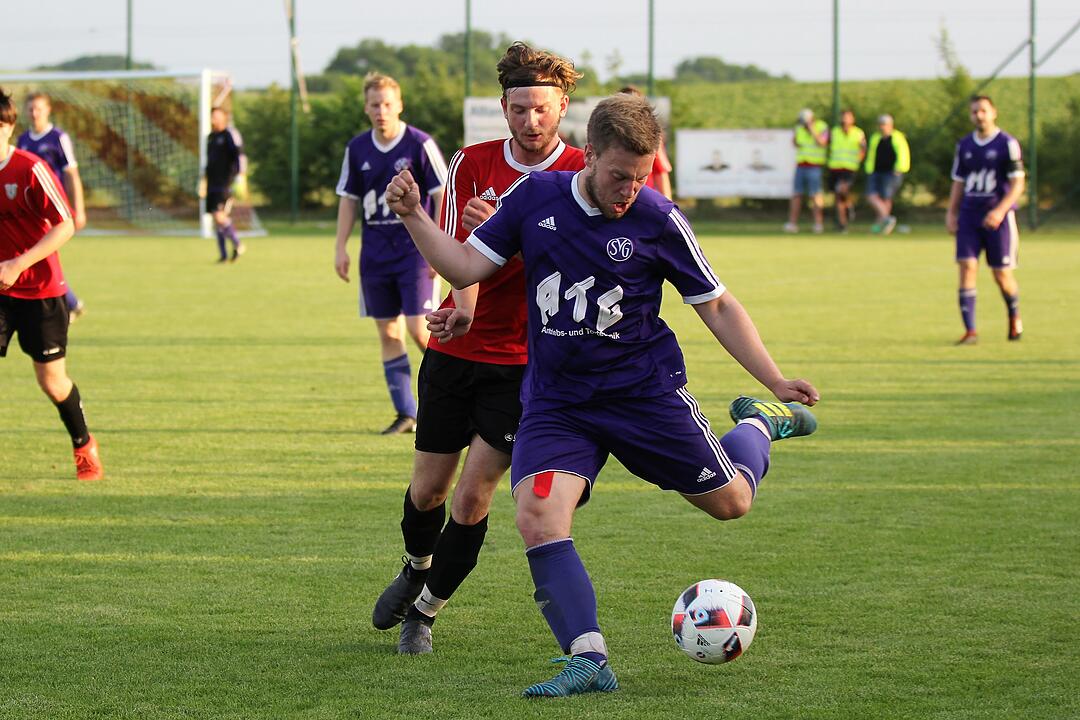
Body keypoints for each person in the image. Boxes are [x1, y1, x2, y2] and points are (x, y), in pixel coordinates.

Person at [386, 93, 819, 697]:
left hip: (643, 398)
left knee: (732, 504)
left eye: (641, 178)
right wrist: (414, 215)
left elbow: (715, 303)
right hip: (557, 405)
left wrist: (774, 381)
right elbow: (462, 268)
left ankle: (761, 425)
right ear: (588, 156)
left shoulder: (658, 218)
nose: (629, 191)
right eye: (620, 176)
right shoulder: (535, 200)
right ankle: (588, 658)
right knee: (538, 514)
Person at [371, 42, 586, 655]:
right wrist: (457, 311)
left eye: (542, 109)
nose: (531, 121)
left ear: (562, 107)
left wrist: (512, 234)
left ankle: (426, 611)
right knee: (428, 492)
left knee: (472, 498)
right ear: (504, 108)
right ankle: (416, 565)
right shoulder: (472, 162)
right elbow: (460, 254)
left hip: (524, 366)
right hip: (459, 355)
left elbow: (575, 264)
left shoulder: (580, 172)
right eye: (519, 109)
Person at [334, 73, 448, 435]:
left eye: (387, 104)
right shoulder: (357, 149)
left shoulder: (419, 144)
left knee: (420, 330)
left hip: (417, 253)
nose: (381, 111)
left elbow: (445, 196)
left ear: (399, 105)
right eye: (374, 105)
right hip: (375, 255)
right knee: (388, 333)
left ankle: (451, 398)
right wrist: (340, 246)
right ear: (366, 108)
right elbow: (349, 200)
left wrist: (442, 248)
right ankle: (407, 413)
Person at [0, 87, 104, 481]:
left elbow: (64, 225)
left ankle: (83, 444)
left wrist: (18, 263)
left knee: (51, 381)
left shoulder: (30, 169)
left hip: (40, 291)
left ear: (8, 127)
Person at [945, 95, 1025, 344]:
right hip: (970, 215)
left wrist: (1000, 210)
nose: (978, 116)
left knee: (1001, 274)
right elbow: (959, 181)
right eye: (974, 112)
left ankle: (1014, 315)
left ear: (993, 112)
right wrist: (951, 212)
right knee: (967, 266)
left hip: (998, 219)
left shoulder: (1007, 144)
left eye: (983, 111)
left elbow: (1017, 183)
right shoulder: (965, 145)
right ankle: (970, 331)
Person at [17, 92, 88, 321]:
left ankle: (68, 303)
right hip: (30, 212)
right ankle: (71, 303)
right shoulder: (23, 140)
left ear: (48, 110)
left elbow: (71, 174)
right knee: (38, 257)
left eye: (38, 108)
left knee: (41, 256)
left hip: (53, 209)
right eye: (30, 109)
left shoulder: (58, 137)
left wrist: (79, 208)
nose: (34, 113)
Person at [200, 107, 247, 262]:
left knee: (220, 216)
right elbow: (210, 162)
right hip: (212, 183)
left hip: (226, 183)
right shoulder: (211, 137)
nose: (213, 119)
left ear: (224, 118)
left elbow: (239, 155)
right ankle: (223, 256)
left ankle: (238, 244)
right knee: (216, 219)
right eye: (212, 116)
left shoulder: (230, 134)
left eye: (216, 116)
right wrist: (203, 180)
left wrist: (240, 177)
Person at [618, 86, 673, 199]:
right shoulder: (607, 135)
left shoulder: (650, 135)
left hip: (641, 200)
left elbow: (661, 173)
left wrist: (666, 206)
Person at [784, 108, 828, 234]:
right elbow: (795, 143)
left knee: (816, 195)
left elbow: (822, 142)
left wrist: (811, 129)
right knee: (797, 194)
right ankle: (792, 224)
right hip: (801, 165)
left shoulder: (821, 126)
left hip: (815, 166)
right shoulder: (799, 128)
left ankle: (818, 224)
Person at [864, 114, 910, 235]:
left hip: (891, 173)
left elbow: (903, 154)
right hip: (875, 171)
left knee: (886, 198)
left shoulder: (897, 137)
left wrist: (899, 168)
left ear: (890, 125)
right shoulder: (875, 138)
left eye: (884, 124)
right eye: (880, 124)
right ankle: (886, 219)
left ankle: (881, 225)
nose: (882, 127)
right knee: (871, 196)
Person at [826, 109, 866, 233]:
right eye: (843, 117)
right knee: (838, 197)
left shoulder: (858, 133)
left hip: (849, 168)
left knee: (842, 189)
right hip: (835, 167)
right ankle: (843, 223)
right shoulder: (834, 132)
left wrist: (858, 159)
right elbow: (825, 144)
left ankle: (848, 207)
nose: (845, 120)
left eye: (848, 117)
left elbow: (863, 148)